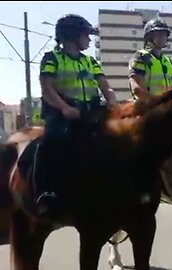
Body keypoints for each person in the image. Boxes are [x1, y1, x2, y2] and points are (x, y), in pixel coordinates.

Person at [36, 14, 117, 217]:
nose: (89, 40)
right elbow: (47, 89)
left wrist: (113, 104)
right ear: (72, 35)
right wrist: (64, 108)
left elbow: (106, 87)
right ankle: (46, 192)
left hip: (91, 112)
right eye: (85, 35)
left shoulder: (91, 61)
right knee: (49, 143)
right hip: (62, 114)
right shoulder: (51, 58)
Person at [129, 16, 172, 99]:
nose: (162, 37)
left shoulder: (169, 62)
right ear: (149, 37)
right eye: (158, 34)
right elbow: (137, 89)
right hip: (147, 107)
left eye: (164, 35)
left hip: (167, 108)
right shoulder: (141, 58)